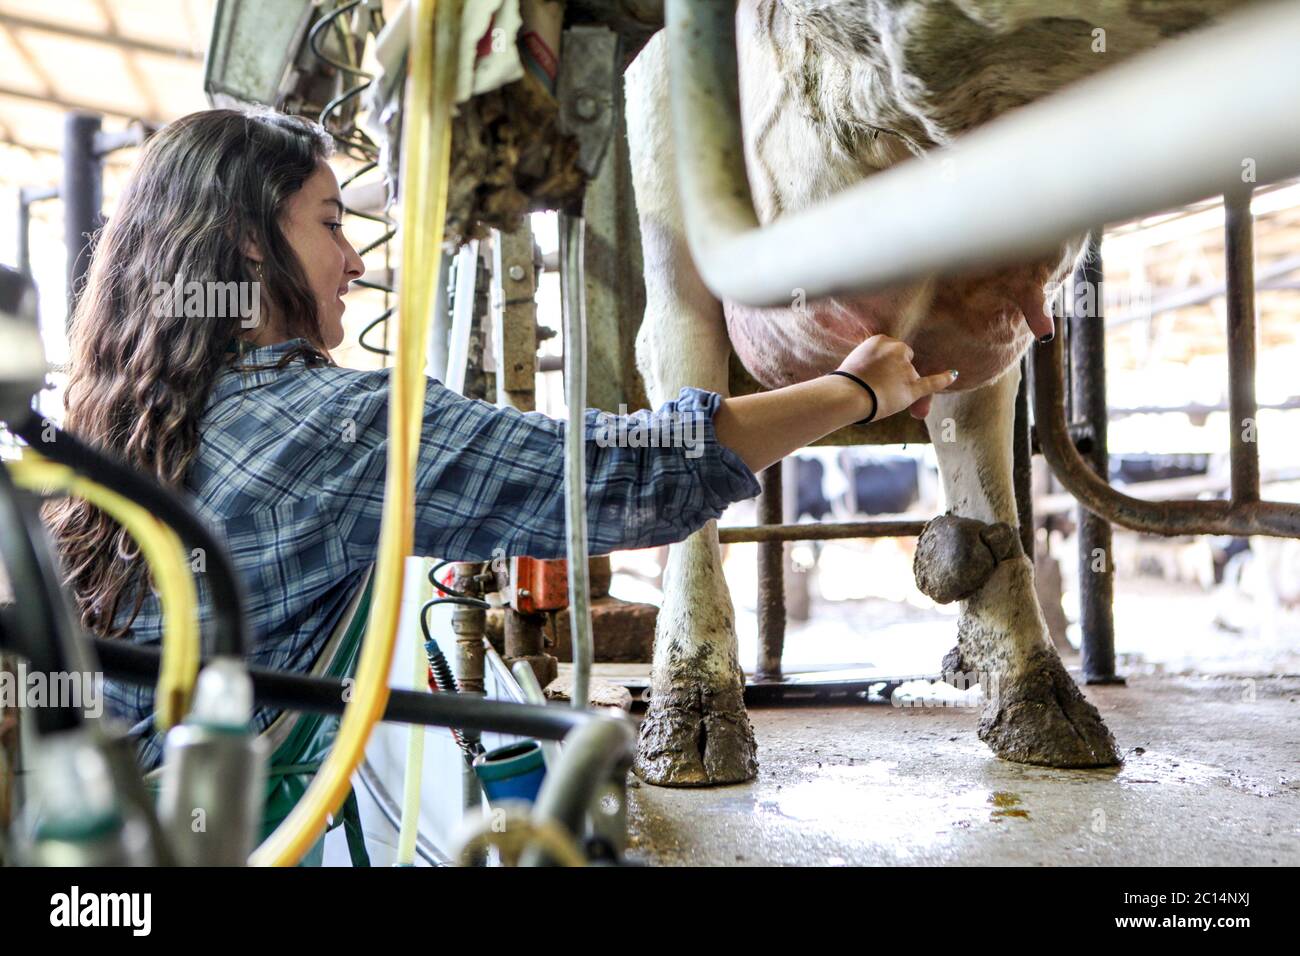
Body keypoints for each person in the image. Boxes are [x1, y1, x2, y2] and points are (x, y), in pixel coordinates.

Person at [44, 108, 955, 769]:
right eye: (330, 224)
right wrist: (856, 391)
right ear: (249, 247)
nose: (355, 261)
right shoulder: (339, 428)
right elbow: (621, 480)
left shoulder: (124, 411)